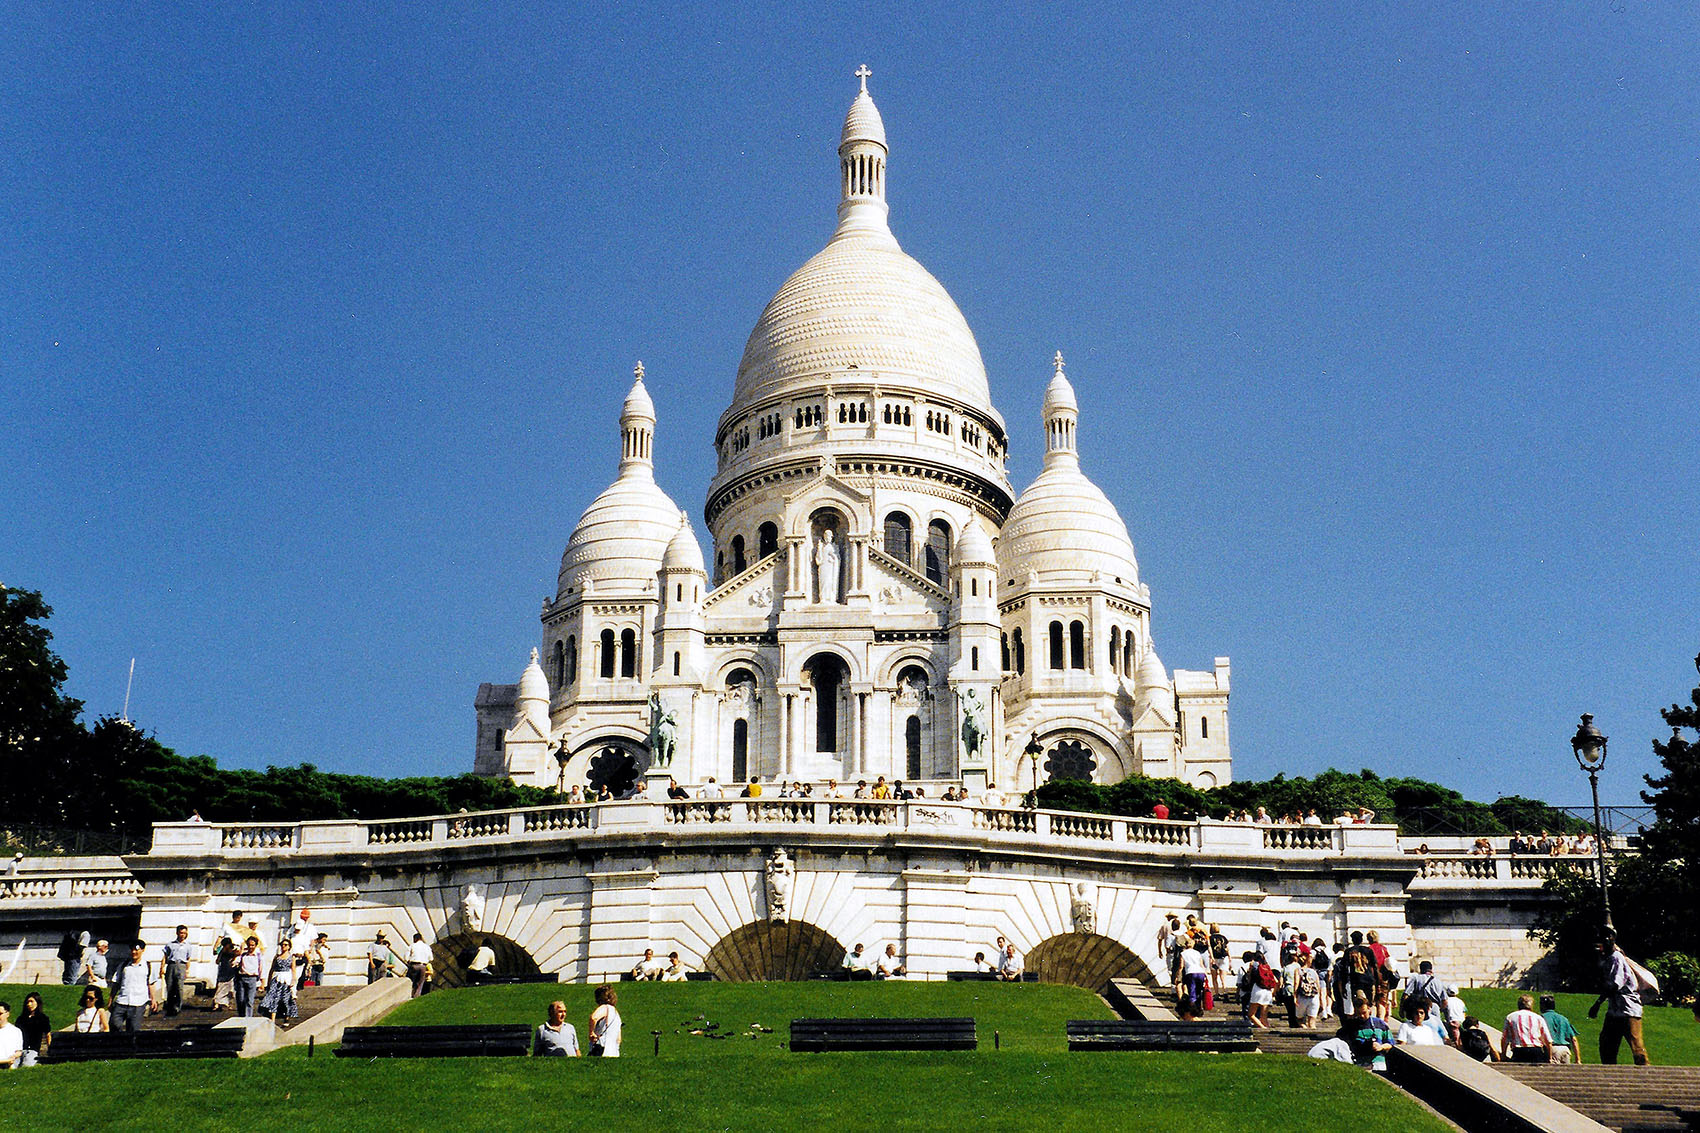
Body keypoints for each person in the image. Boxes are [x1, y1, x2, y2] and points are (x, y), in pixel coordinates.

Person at [1589, 931, 1649, 1066]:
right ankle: (1610, 1072)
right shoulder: (1609, 959)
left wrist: (1597, 1004)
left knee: (1636, 1044)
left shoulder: (1616, 958)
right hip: (1615, 1010)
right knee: (1606, 1043)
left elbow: (1615, 984)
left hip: (1628, 1009)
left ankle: (1646, 1073)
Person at [108, 941, 155, 1033]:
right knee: (114, 1024)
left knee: (133, 1029)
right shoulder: (123, 966)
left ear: (142, 950)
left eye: (136, 950)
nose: (134, 952)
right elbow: (116, 983)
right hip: (122, 1001)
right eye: (132, 949)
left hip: (138, 1003)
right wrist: (110, 1000)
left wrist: (153, 999)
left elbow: (151, 983)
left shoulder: (147, 966)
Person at [1345, 994, 1393, 1070]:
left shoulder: (1380, 1024)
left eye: (1364, 1013)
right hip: (1360, 1062)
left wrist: (1381, 1047)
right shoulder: (1351, 1026)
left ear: (1369, 1009)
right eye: (1359, 1013)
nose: (1362, 1016)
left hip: (1379, 1062)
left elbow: (1390, 1043)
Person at [1501, 994, 1555, 1063]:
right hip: (1536, 1050)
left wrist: (1503, 1054)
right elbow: (1548, 1040)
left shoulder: (1510, 1017)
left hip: (1519, 1051)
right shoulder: (1538, 1018)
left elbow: (1504, 1039)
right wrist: (1550, 1057)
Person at [260, 938, 301, 1025]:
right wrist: (268, 982)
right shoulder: (277, 956)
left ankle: (286, 1018)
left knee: (286, 999)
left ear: (289, 947)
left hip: (286, 978)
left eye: (285, 945)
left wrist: (293, 981)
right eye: (282, 945)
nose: (283, 946)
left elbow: (293, 970)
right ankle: (272, 1019)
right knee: (274, 998)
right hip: (277, 977)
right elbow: (272, 969)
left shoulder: (291, 957)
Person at [161, 924, 193, 1015]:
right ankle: (170, 1007)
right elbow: (165, 956)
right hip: (171, 965)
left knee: (179, 987)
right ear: (177, 933)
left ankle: (177, 1007)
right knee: (170, 987)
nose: (182, 935)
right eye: (181, 933)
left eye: (184, 933)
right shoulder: (170, 944)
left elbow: (188, 959)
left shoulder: (188, 946)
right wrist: (162, 967)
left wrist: (187, 970)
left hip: (181, 966)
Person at [1540, 994, 1580, 1064]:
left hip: (1552, 1050)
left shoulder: (1541, 1018)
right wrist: (1578, 1059)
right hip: (1565, 1049)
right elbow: (1574, 1039)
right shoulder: (1563, 1019)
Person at [16, 993, 50, 1067]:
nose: (29, 1004)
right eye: (27, 1002)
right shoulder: (21, 1019)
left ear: (37, 1003)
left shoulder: (42, 1018)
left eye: (32, 1001)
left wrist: (49, 1050)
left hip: (33, 1050)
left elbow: (48, 1035)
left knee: (25, 1066)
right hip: (20, 1050)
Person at [235, 936, 265, 1018]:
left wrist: (263, 983)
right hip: (242, 977)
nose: (250, 947)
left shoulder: (258, 956)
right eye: (249, 945)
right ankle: (241, 1017)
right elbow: (235, 962)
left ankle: (248, 1018)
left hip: (252, 978)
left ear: (255, 946)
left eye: (252, 945)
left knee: (249, 1000)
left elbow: (261, 969)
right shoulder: (243, 955)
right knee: (240, 999)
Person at [588, 985, 621, 1057]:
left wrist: (591, 1032)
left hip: (601, 1047)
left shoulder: (605, 1008)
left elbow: (593, 1017)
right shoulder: (616, 1014)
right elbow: (619, 1038)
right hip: (614, 1051)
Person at [406, 933, 432, 997]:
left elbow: (406, 957)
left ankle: (409, 996)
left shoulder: (412, 946)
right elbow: (431, 958)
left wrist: (408, 961)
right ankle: (416, 996)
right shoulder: (427, 947)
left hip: (413, 965)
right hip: (423, 966)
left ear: (415, 938)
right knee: (420, 984)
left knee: (411, 982)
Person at [0, 1003, 20, 1070]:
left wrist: (12, 1058)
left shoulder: (15, 1031)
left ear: (7, 1014)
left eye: (0, 1013)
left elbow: (19, 1051)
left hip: (9, 1065)